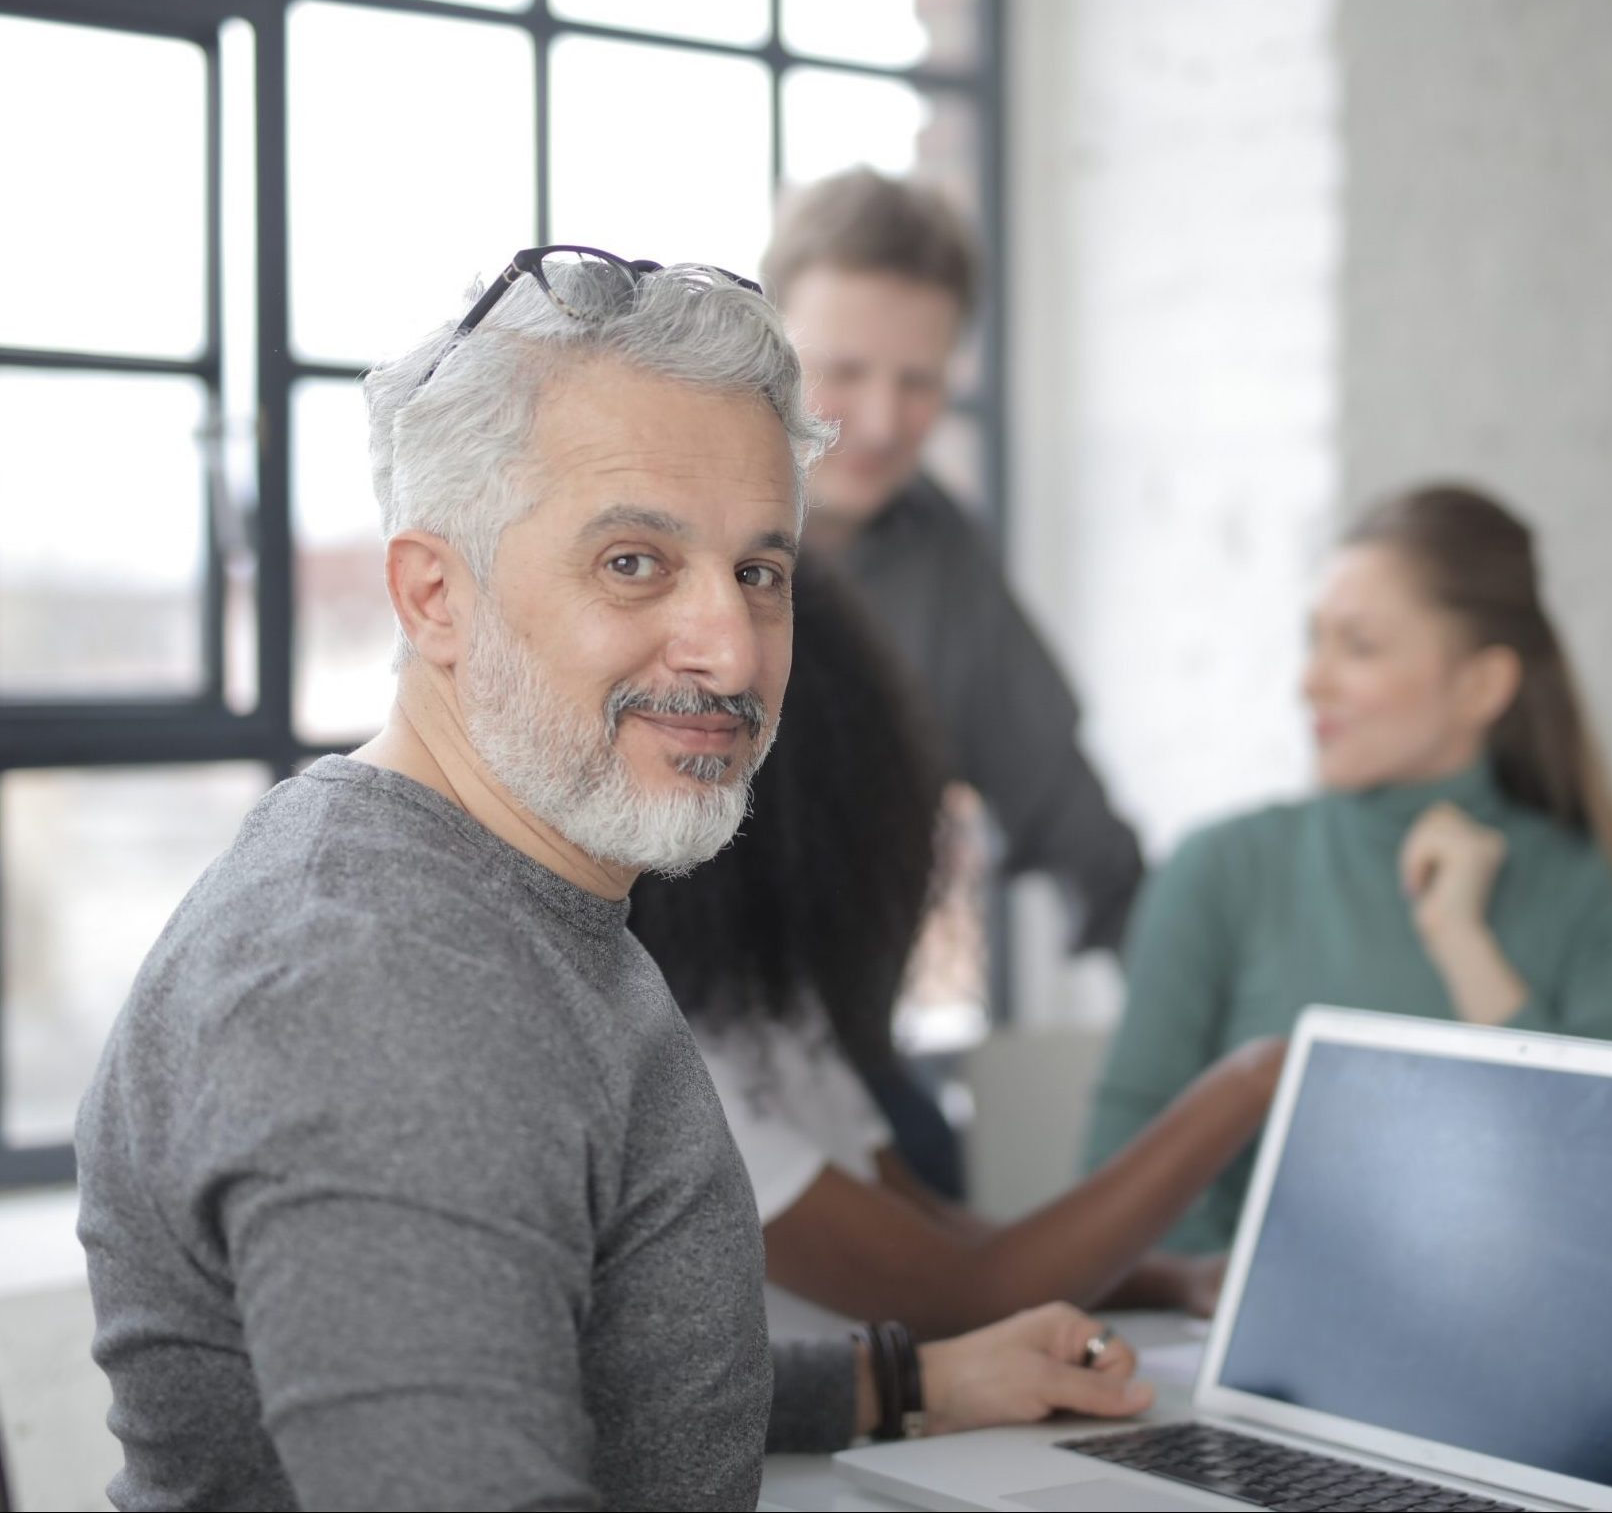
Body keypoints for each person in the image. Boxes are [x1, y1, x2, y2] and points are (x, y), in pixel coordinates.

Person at [75, 248, 1153, 1513]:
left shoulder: (509, 888)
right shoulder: (386, 989)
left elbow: (582, 1364)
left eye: (759, 570)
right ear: (434, 596)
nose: (729, 648)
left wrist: (905, 1382)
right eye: (633, 562)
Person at [628, 561, 1286, 1341]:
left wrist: (1173, 1280)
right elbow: (970, 1291)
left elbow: (943, 1234)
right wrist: (1251, 1082)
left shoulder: (765, 1010)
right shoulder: (664, 1068)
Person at [1084, 483, 1612, 1254]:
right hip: (1226, 1343)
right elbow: (1115, 1176)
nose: (1310, 683)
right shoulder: (1220, 868)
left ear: (1481, 686)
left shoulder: (1600, 892)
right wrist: (1216, 1296)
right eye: (1314, 640)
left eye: (1357, 646)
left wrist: (1463, 942)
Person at [763, 168, 1144, 958]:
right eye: (843, 371)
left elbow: (1089, 844)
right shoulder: (649, 526)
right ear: (769, 343)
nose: (877, 425)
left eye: (918, 383)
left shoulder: (948, 558)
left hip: (842, 1038)